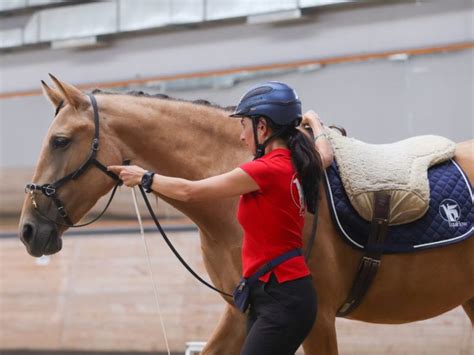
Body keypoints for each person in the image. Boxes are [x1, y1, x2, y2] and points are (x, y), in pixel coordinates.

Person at [108, 81, 334, 355]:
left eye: (244, 126)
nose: (241, 136)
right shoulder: (298, 162)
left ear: (262, 127)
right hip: (276, 295)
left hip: (281, 297)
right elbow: (325, 155)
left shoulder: (264, 170)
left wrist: (144, 178)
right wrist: (316, 123)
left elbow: (190, 191)